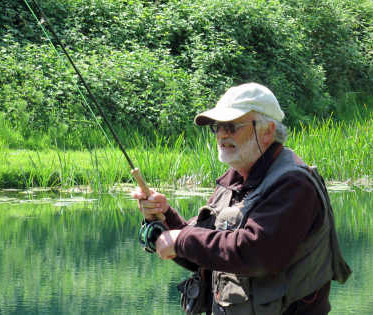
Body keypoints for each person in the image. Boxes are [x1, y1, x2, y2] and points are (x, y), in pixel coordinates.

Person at [132, 82, 351, 315]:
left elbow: (257, 253)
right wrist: (166, 217)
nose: (222, 134)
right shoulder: (233, 182)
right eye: (217, 127)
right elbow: (204, 255)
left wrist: (181, 239)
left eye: (232, 126)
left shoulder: (293, 185)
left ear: (267, 131)